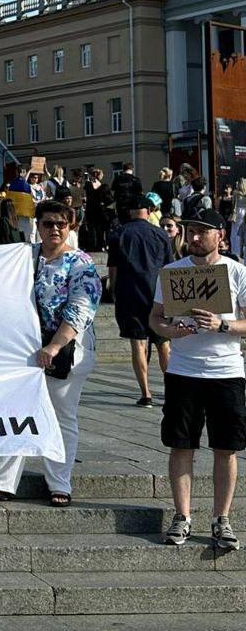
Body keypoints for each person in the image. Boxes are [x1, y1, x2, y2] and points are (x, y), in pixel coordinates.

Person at [0, 199, 101, 507]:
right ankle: (0, 482)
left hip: (67, 349)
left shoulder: (80, 263)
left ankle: (60, 483)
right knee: (15, 412)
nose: (55, 229)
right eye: (48, 223)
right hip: (23, 348)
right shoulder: (23, 256)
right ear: (38, 226)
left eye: (61, 224)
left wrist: (55, 345)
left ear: (70, 226)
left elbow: (82, 307)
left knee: (60, 415)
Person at [149, 208, 246, 550]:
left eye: (202, 232)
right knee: (181, 444)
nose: (193, 237)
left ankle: (222, 518)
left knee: (226, 447)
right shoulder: (172, 272)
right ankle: (182, 516)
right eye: (190, 231)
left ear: (220, 235)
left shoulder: (236, 272)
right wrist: (169, 330)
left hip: (226, 370)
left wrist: (222, 325)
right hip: (183, 369)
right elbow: (155, 318)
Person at [108, 194, 176, 408]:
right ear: (149, 211)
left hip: (130, 294)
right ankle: (172, 391)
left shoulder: (119, 233)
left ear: (130, 211)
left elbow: (113, 268)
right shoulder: (160, 233)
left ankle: (146, 394)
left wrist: (113, 290)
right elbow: (169, 267)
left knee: (138, 344)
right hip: (157, 293)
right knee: (163, 344)